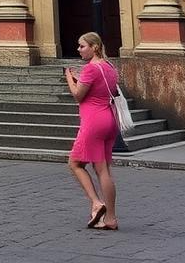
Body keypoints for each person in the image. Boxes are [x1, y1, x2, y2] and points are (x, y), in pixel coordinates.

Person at [64, 31, 120, 232]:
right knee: (103, 170)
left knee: (75, 163)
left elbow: (79, 96)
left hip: (93, 121)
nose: (79, 50)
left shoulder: (91, 69)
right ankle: (111, 218)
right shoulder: (110, 66)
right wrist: (82, 80)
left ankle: (96, 203)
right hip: (109, 119)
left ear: (94, 47)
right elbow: (104, 91)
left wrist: (70, 78)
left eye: (82, 46)